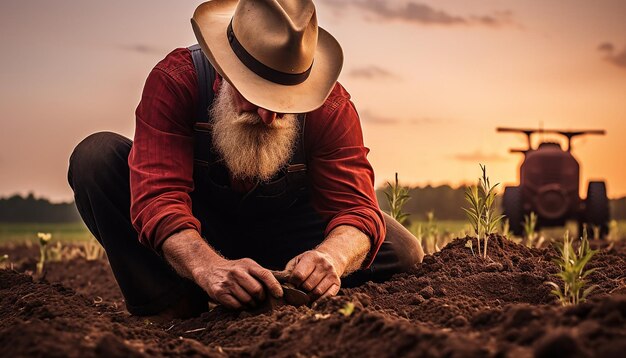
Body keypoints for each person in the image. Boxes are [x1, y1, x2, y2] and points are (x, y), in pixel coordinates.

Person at [68, 0, 424, 317]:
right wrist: (207, 267)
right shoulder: (176, 80)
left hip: (287, 234)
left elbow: (355, 209)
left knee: (401, 248)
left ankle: (283, 294)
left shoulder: (331, 107)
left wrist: (331, 257)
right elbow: (159, 197)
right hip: (198, 227)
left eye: (284, 103)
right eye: (256, 95)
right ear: (224, 70)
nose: (268, 116)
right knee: (95, 158)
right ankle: (174, 306)